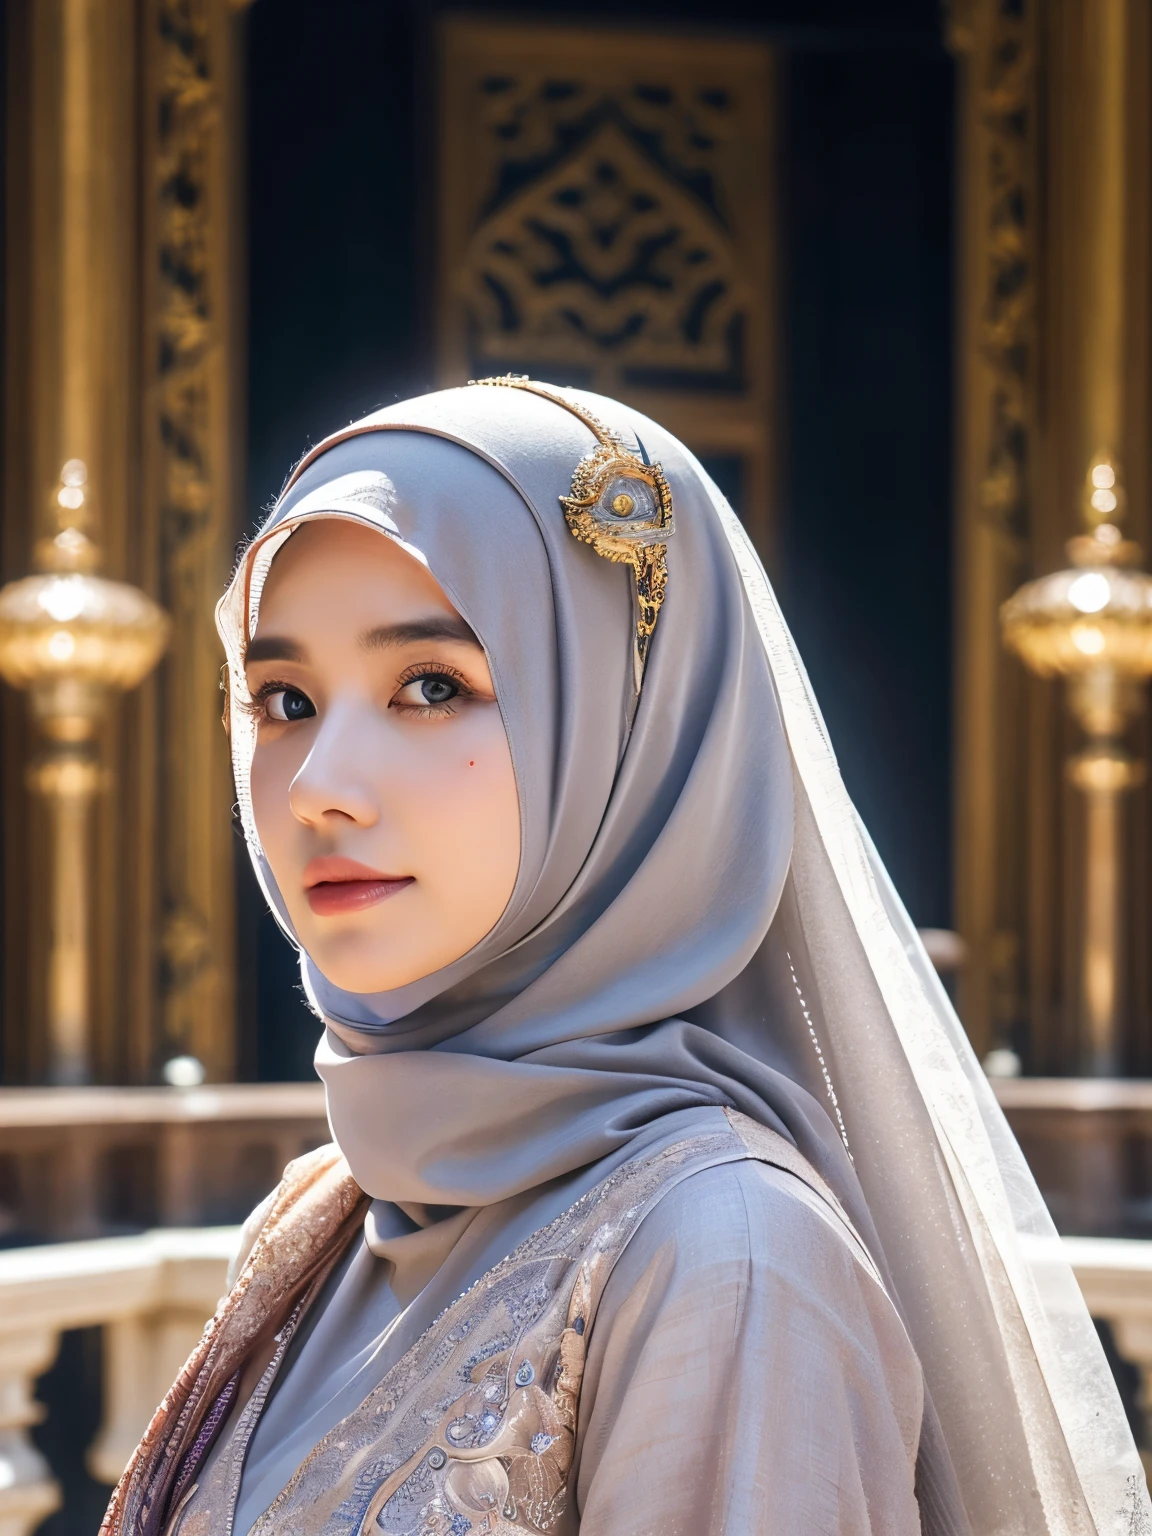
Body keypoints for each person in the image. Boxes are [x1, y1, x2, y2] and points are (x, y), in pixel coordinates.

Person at [102, 380, 1145, 1536]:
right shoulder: (324, 1216)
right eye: (284, 699)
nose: (318, 789)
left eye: (433, 687)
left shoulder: (729, 1265)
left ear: (626, 729)